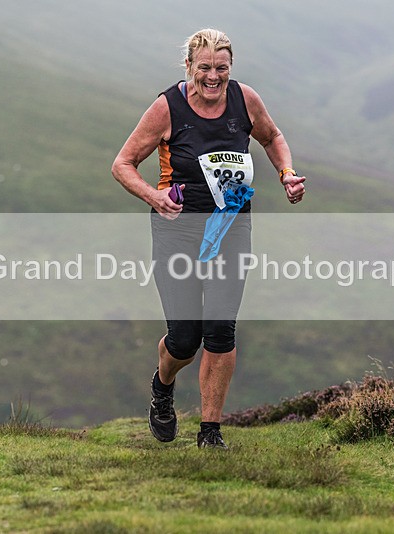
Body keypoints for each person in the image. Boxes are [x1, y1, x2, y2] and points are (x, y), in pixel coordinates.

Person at [112, 28, 306, 449]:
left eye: (222, 67)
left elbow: (272, 137)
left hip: (231, 226)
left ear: (231, 66)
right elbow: (123, 163)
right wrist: (154, 196)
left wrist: (286, 174)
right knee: (185, 339)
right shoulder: (167, 107)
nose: (213, 77)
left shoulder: (245, 99)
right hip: (177, 230)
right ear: (189, 66)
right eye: (205, 67)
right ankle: (163, 386)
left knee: (220, 329)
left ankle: (210, 432)